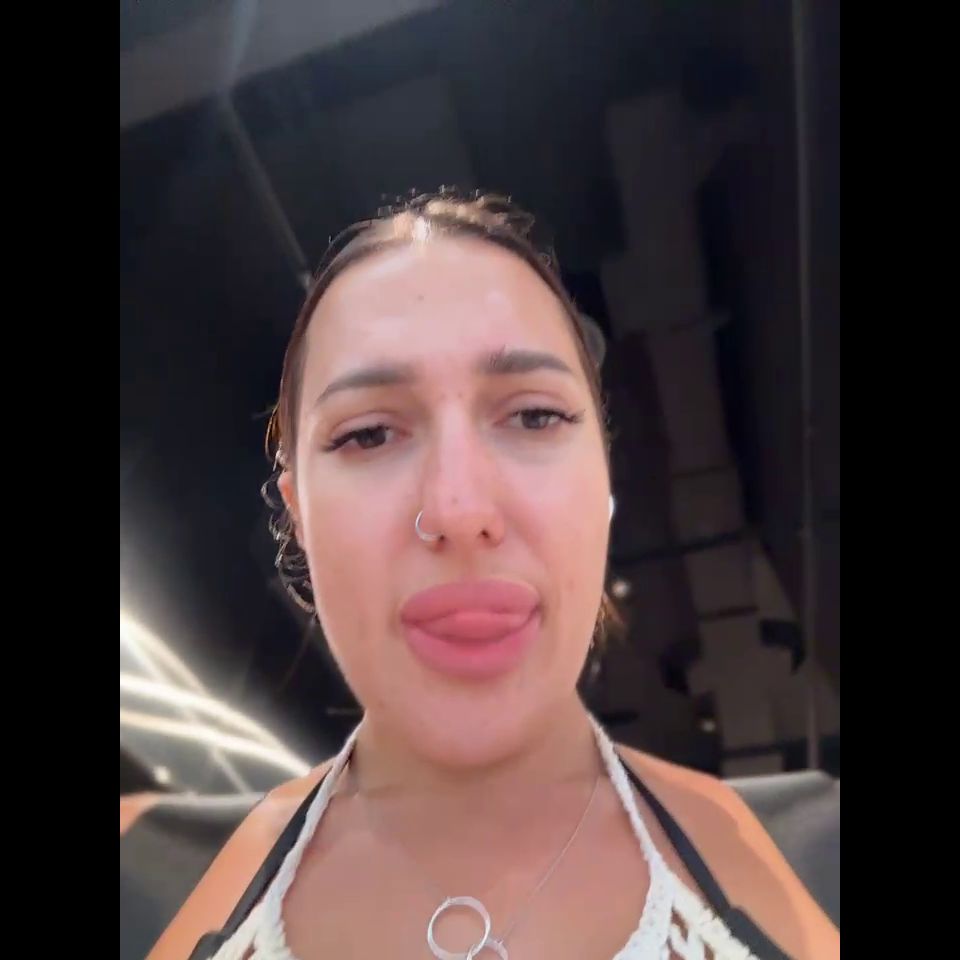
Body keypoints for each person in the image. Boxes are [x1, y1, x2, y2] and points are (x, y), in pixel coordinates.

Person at [147, 191, 839, 960]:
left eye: (535, 416)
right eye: (369, 434)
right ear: (298, 513)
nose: (459, 508)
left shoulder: (819, 854)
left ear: (603, 480)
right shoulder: (143, 877)